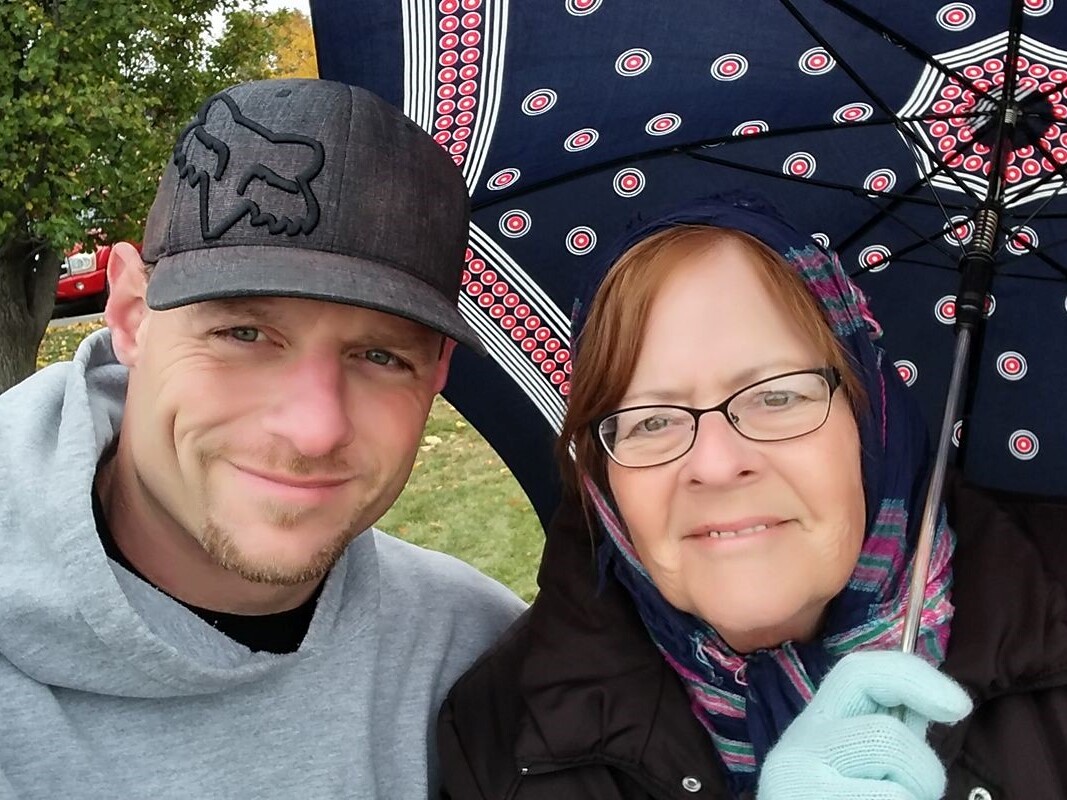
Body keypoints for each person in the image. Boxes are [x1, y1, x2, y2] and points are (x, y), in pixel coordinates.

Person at [437, 194, 1067, 799]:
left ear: (872, 421)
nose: (713, 464)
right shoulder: (502, 734)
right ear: (603, 478)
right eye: (651, 420)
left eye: (777, 396)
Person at [0, 78, 526, 799]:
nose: (314, 431)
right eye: (243, 333)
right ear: (129, 315)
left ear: (437, 371)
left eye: (380, 357)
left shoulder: (482, 655)